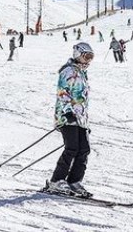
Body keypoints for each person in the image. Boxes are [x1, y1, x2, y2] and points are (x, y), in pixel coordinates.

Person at [46, 42, 94, 198]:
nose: (88, 60)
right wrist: (68, 112)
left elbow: (82, 98)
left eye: (91, 57)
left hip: (80, 118)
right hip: (66, 115)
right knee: (72, 148)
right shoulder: (68, 71)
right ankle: (56, 181)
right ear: (77, 54)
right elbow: (63, 92)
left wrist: (84, 120)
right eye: (86, 56)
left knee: (84, 149)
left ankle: (74, 181)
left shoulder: (82, 73)